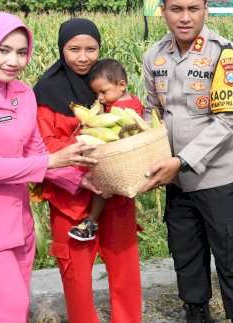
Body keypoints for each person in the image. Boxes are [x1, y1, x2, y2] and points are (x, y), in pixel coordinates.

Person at [140, 0, 233, 323]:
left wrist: (181, 161)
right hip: (176, 181)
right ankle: (197, 313)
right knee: (186, 255)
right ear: (163, 11)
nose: (185, 17)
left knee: (231, 257)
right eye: (176, 8)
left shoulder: (225, 56)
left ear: (207, 9)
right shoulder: (154, 56)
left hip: (219, 178)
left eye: (193, 8)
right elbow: (152, 110)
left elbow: (228, 122)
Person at [0, 12, 95, 322]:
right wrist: (52, 160)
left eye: (20, 52)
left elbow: (36, 151)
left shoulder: (22, 94)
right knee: (10, 310)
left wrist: (79, 179)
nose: (13, 61)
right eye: (2, 50)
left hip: (20, 224)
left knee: (16, 307)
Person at [34, 17, 142, 323]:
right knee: (76, 274)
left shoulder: (106, 83)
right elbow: (44, 144)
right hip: (70, 198)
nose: (83, 57)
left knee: (124, 267)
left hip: (115, 191)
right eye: (74, 49)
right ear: (61, 49)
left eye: (91, 48)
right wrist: (83, 170)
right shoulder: (46, 90)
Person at [68, 58, 145, 242]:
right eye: (96, 93)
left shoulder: (121, 109)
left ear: (122, 85)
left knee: (100, 186)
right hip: (127, 156)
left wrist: (96, 118)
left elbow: (110, 131)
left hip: (120, 158)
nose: (100, 97)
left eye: (103, 92)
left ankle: (91, 221)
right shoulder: (131, 101)